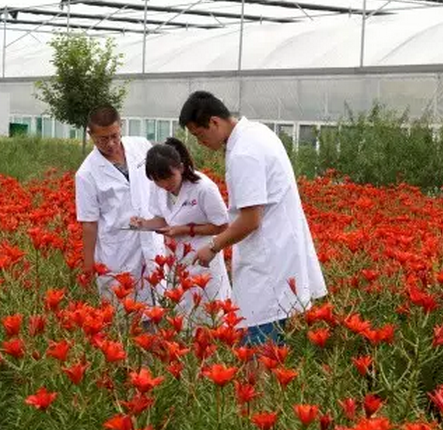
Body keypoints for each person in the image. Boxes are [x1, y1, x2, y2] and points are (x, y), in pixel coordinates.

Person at [179, 90, 327, 346]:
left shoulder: (244, 153)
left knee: (260, 350)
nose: (199, 142)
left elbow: (251, 219)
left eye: (199, 134)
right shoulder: (257, 133)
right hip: (277, 256)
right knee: (269, 346)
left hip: (268, 264)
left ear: (214, 122)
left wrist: (213, 246)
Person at [129, 138, 232, 326]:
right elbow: (162, 219)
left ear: (181, 168)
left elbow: (223, 225)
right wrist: (143, 224)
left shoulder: (203, 188)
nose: (164, 184)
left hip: (204, 259)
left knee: (210, 318)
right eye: (158, 180)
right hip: (177, 262)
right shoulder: (159, 188)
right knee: (183, 321)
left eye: (169, 178)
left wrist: (184, 229)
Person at [74, 105, 165, 306]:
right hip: (118, 249)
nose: (111, 143)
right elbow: (89, 222)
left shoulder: (141, 146)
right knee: (123, 317)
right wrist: (88, 266)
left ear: (121, 126)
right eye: (102, 139)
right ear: (90, 135)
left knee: (158, 309)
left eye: (114, 135)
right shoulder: (86, 173)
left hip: (151, 240)